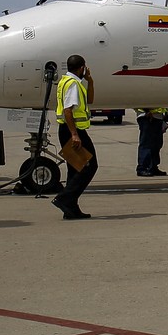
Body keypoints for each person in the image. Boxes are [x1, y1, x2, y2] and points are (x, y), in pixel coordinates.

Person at [52, 54, 97, 220]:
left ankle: (70, 209)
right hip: (73, 131)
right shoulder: (72, 85)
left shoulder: (68, 82)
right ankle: (64, 198)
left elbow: (90, 100)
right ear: (81, 68)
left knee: (74, 169)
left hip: (67, 130)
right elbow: (68, 110)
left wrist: (90, 81)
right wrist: (74, 135)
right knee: (90, 166)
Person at [134, 106, 168, 177]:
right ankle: (143, 168)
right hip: (147, 115)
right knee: (146, 143)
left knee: (156, 144)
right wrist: (146, 111)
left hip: (157, 116)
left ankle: (153, 166)